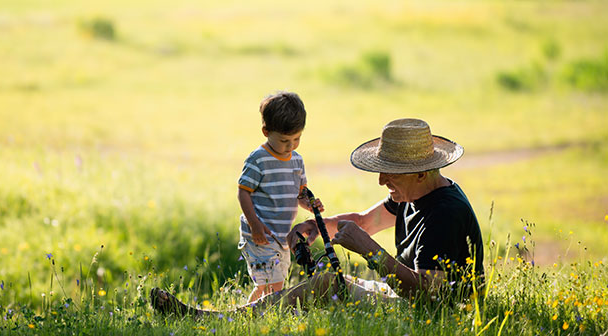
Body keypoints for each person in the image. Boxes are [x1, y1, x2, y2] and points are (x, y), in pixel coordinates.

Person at [150, 118, 484, 316]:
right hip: (402, 296)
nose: (382, 181)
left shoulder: (445, 214)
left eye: (390, 173)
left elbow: (431, 297)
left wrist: (370, 251)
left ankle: (218, 324)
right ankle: (228, 320)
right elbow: (365, 221)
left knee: (326, 284)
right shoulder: (414, 193)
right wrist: (315, 226)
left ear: (421, 173)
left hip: (438, 314)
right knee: (325, 282)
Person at [236, 91, 324, 303]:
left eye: (297, 139)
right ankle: (255, 316)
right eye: (285, 140)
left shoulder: (297, 161)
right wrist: (255, 224)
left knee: (275, 285)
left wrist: (310, 205)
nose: (291, 145)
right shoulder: (259, 159)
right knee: (270, 285)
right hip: (261, 233)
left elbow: (299, 194)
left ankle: (251, 314)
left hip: (282, 235)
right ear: (266, 131)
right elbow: (243, 192)